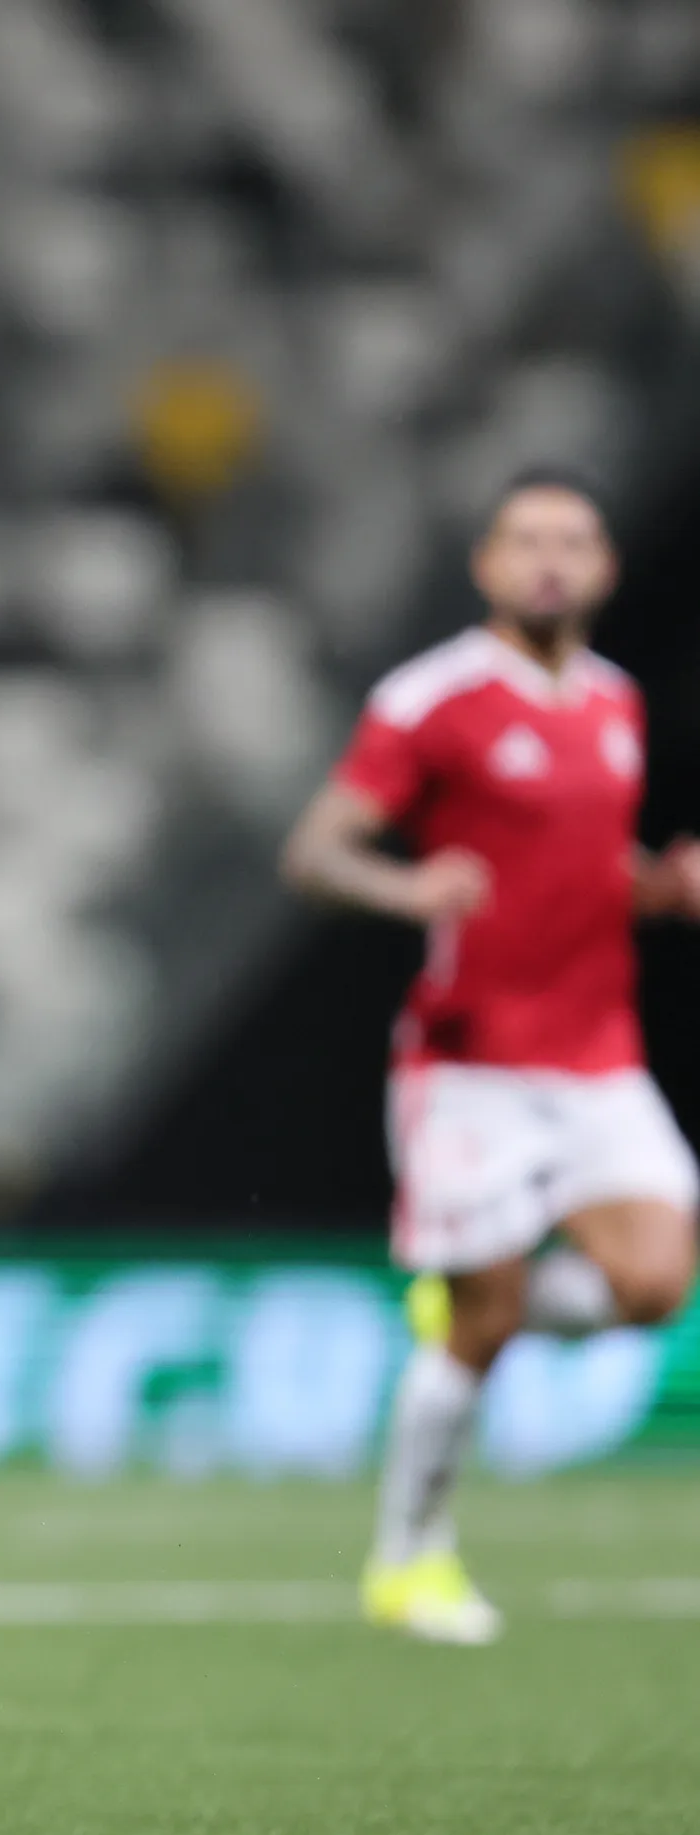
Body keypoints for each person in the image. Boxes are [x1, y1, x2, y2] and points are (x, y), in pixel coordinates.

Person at [282, 469, 700, 1646]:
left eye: (575, 538)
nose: (552, 560)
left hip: (598, 1050)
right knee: (488, 1310)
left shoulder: (616, 701)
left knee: (656, 1281)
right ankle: (409, 1561)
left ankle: (471, 1297)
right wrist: (407, 882)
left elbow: (573, 857)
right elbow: (315, 850)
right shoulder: (433, 698)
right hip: (470, 1060)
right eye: (528, 540)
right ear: (488, 565)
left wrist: (655, 885)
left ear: (609, 565)